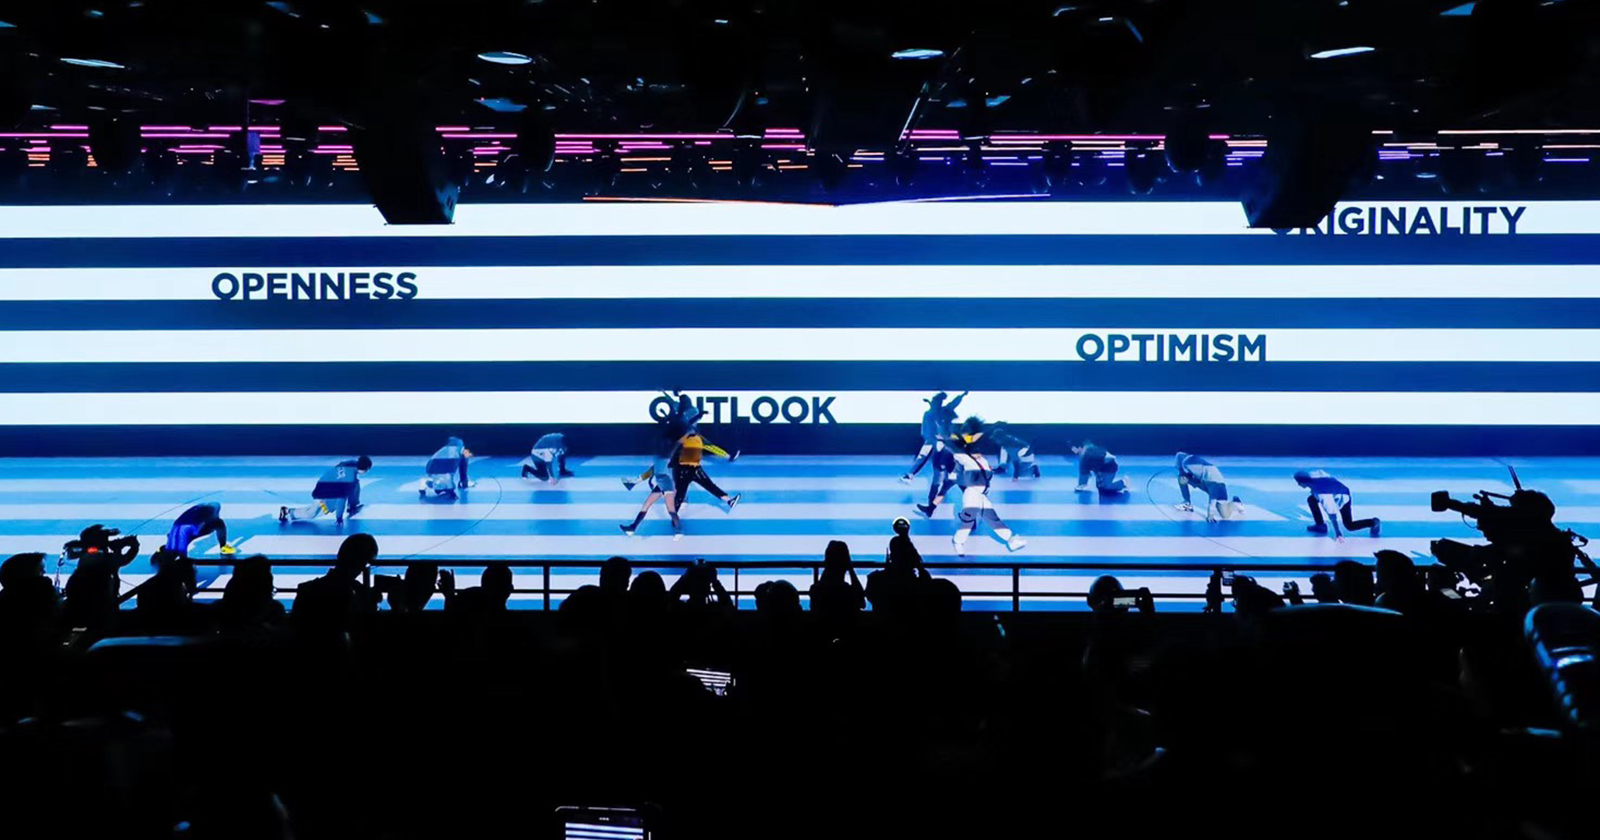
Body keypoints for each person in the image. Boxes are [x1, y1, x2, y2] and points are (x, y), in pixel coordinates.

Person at [946, 417, 1026, 556]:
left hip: (981, 495)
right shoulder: (965, 458)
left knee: (992, 518)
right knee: (969, 520)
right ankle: (958, 542)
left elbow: (979, 437)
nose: (978, 451)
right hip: (972, 493)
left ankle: (1011, 540)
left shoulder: (981, 460)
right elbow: (956, 445)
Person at [621, 422, 685, 539]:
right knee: (646, 504)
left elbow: (676, 444)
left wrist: (686, 433)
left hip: (666, 484)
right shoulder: (660, 457)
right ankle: (632, 528)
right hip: (661, 484)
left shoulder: (667, 455)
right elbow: (652, 471)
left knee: (671, 510)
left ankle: (679, 531)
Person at [279, 455, 373, 525]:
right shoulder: (349, 481)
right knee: (312, 513)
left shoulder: (350, 463)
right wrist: (339, 518)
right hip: (322, 493)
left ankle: (352, 505)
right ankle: (287, 512)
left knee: (355, 483)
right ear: (365, 469)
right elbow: (341, 499)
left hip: (324, 483)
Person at [1293, 469, 1381, 541]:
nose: (1298, 484)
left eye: (1298, 482)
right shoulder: (1316, 474)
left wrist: (1338, 532)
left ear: (1302, 482)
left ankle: (1373, 522)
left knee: (1349, 525)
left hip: (1343, 497)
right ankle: (1320, 525)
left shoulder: (1322, 494)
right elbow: (1325, 476)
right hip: (1339, 489)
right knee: (1311, 499)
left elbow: (1332, 513)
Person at [900, 390, 967, 483]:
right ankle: (910, 475)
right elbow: (925, 429)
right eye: (936, 402)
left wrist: (962, 396)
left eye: (938, 402)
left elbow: (954, 403)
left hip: (942, 440)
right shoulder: (929, 414)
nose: (937, 404)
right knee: (923, 457)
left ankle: (953, 476)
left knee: (946, 458)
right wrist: (930, 438)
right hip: (932, 440)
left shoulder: (943, 411)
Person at [672, 428, 741, 515]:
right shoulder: (681, 440)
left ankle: (729, 501)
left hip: (695, 469)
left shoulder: (698, 438)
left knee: (710, 486)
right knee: (680, 493)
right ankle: (676, 513)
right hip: (683, 470)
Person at [1174, 452, 1241, 523]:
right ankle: (1187, 503)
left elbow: (1213, 499)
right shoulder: (1188, 462)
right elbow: (1181, 458)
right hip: (1203, 481)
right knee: (1182, 479)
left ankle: (1235, 502)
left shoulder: (1216, 484)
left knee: (1225, 515)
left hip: (1215, 487)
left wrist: (1210, 514)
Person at [165, 501, 236, 557]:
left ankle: (171, 549)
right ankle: (223, 546)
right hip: (189, 528)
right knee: (219, 523)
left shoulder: (198, 509)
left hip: (182, 527)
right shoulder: (210, 511)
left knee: (179, 544)